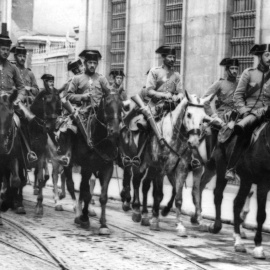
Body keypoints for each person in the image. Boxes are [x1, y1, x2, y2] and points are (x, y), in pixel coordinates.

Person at [225, 44, 270, 181]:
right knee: (244, 133)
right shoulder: (248, 73)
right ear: (260, 57)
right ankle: (231, 168)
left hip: (268, 111)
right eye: (267, 55)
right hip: (250, 113)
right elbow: (237, 96)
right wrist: (244, 111)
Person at [129, 45, 183, 145]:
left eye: (174, 57)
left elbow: (180, 92)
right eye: (169, 57)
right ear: (163, 57)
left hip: (172, 106)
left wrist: (178, 96)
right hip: (155, 106)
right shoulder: (155, 71)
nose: (172, 59)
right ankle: (140, 151)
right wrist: (163, 95)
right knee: (143, 125)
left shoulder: (176, 75)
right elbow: (149, 91)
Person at [0, 33, 37, 163]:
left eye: (7, 49)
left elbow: (21, 87)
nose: (5, 52)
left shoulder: (13, 68)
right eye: (2, 49)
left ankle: (28, 152)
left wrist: (18, 99)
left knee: (26, 120)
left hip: (9, 102)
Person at [202, 57, 239, 157]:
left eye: (236, 68)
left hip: (237, 116)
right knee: (211, 133)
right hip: (222, 116)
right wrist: (213, 115)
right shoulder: (220, 83)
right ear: (227, 70)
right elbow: (205, 100)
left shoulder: (240, 84)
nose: (234, 71)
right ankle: (210, 158)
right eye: (232, 68)